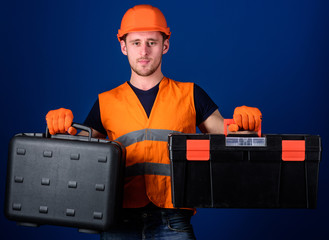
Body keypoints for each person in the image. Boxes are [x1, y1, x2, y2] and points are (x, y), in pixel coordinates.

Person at [45, 4, 262, 240]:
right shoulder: (105, 102)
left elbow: (231, 139)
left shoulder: (191, 94)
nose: (144, 51)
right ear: (123, 47)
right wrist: (59, 129)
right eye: (136, 42)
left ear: (165, 46)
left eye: (152, 42)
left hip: (173, 221)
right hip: (118, 221)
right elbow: (73, 158)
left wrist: (245, 123)